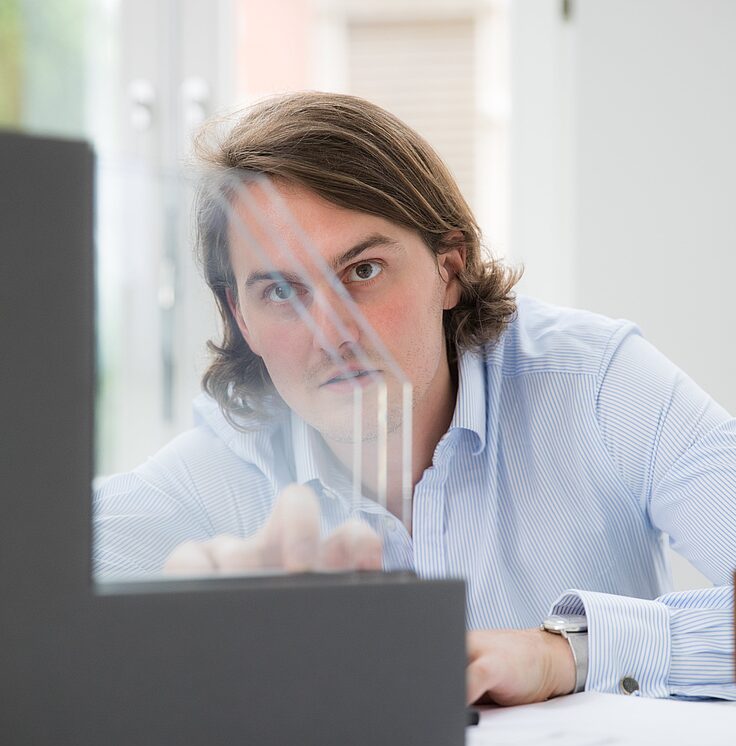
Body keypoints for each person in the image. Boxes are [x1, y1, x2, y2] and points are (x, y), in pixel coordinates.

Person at [94, 91, 735, 707]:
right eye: (281, 293)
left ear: (448, 270)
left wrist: (568, 654)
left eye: (363, 271)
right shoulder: (223, 464)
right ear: (243, 318)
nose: (333, 335)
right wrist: (162, 621)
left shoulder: (597, 385)